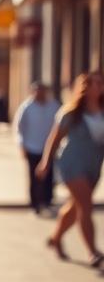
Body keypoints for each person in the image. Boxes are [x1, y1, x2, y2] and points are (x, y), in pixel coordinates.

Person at [39, 71, 104, 267]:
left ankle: (56, 238)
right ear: (85, 87)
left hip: (93, 165)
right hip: (72, 163)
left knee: (76, 206)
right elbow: (54, 139)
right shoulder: (71, 112)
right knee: (85, 205)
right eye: (95, 83)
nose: (99, 86)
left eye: (101, 83)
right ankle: (93, 251)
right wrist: (45, 162)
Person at [14, 81, 61, 215]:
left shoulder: (54, 106)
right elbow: (19, 128)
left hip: (49, 147)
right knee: (33, 175)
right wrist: (21, 145)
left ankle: (47, 200)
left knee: (49, 175)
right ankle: (34, 202)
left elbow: (60, 126)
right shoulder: (26, 107)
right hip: (32, 146)